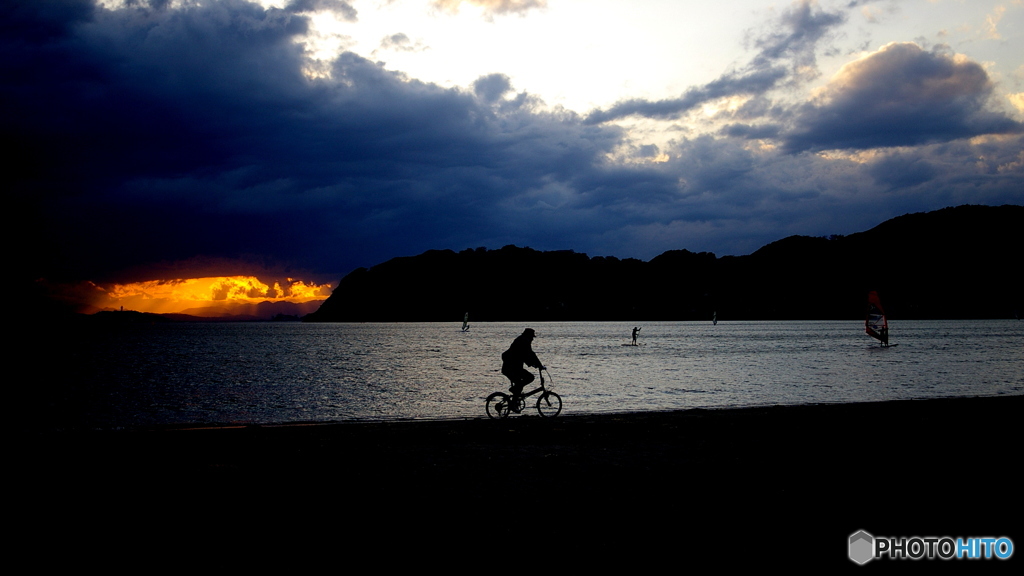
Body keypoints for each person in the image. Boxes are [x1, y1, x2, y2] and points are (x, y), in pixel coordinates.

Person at [501, 328, 544, 408]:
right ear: (528, 336)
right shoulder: (524, 341)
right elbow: (529, 354)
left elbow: (525, 355)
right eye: (532, 337)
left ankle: (514, 403)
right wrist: (539, 365)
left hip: (512, 367)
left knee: (519, 384)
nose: (532, 339)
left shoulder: (521, 340)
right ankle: (514, 395)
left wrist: (534, 364)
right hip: (511, 368)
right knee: (529, 378)